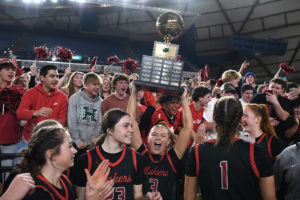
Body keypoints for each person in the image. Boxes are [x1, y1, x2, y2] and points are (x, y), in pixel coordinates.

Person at [185, 97, 276, 200]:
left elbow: (188, 197)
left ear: (214, 117)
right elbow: (270, 197)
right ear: (241, 119)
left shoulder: (197, 151)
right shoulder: (256, 151)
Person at [72, 108, 162, 200]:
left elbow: (137, 196)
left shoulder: (136, 158)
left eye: (131, 126)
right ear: (110, 130)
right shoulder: (86, 160)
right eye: (126, 126)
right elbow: (81, 197)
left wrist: (146, 198)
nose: (131, 130)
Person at [128, 84, 193, 200]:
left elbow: (188, 127)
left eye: (163, 135)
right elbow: (131, 120)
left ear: (168, 142)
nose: (158, 138)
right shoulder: (142, 155)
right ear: (147, 139)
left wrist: (183, 99)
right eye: (154, 134)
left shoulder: (172, 158)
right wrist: (134, 93)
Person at [16, 126, 114, 200]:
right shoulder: (37, 191)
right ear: (52, 154)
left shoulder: (64, 180)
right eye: (70, 146)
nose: (75, 151)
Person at [16, 65, 68, 144]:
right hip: (29, 139)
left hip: (51, 141)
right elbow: (20, 113)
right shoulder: (31, 93)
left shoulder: (63, 97)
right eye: (52, 76)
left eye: (57, 76)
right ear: (42, 78)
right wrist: (35, 112)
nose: (56, 79)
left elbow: (62, 122)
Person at [0, 60, 25, 180]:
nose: (11, 71)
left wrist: (15, 110)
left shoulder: (20, 91)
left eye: (13, 69)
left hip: (11, 140)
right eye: (7, 68)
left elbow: (24, 114)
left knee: (8, 177)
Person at [67, 72, 102, 154]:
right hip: (77, 145)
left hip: (94, 146)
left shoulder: (101, 102)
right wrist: (77, 140)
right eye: (94, 84)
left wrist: (99, 138)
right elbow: (71, 121)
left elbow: (102, 124)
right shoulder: (74, 98)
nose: (97, 87)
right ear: (85, 85)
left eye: (98, 84)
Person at [251, 78, 294, 142]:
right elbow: (250, 113)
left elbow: (283, 117)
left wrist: (275, 102)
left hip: (277, 135)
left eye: (277, 88)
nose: (273, 89)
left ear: (282, 90)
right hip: (258, 133)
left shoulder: (286, 101)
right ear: (268, 87)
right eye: (272, 87)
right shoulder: (259, 97)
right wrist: (266, 120)